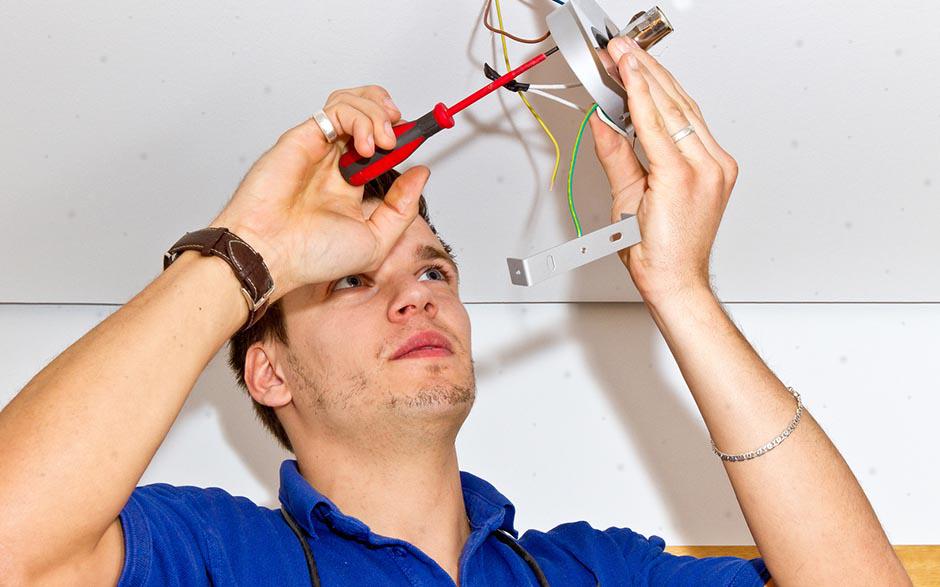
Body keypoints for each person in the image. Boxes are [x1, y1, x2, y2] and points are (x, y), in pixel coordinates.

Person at [0, 36, 909, 586]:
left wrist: (681, 289)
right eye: (351, 280)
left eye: (436, 268)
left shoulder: (589, 569)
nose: (417, 291)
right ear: (265, 369)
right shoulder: (208, 551)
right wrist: (248, 251)